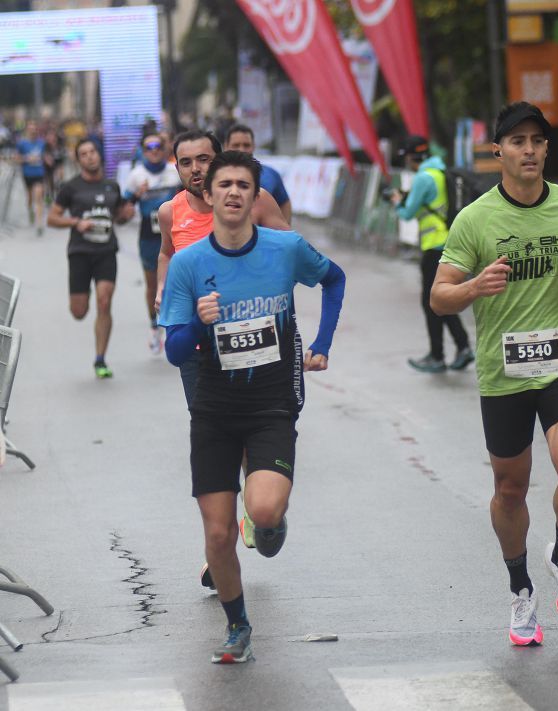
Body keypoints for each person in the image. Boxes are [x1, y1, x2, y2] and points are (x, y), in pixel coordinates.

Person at [430, 102, 558, 646]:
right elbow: (439, 296)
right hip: (503, 373)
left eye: (537, 140)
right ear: (499, 152)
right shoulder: (475, 219)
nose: (528, 150)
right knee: (509, 489)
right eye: (517, 142)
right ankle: (520, 591)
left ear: (546, 149)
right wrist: (472, 288)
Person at [159, 150, 346, 664]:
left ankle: (271, 517)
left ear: (255, 195)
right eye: (225, 184)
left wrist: (323, 342)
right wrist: (197, 324)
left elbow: (334, 278)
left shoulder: (285, 249)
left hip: (270, 404)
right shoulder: (190, 264)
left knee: (261, 510)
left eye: (244, 184)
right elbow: (175, 351)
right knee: (218, 535)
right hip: (214, 408)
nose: (234, 192)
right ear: (210, 194)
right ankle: (237, 624)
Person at [156, 129, 289, 407]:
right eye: (186, 162)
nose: (196, 169)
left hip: (253, 335)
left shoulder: (256, 199)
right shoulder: (170, 211)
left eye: (204, 159)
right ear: (177, 167)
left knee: (253, 428)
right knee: (213, 433)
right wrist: (162, 287)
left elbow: (291, 250)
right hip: (198, 345)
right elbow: (166, 254)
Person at [46, 138, 135, 378]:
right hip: (80, 253)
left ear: (99, 154)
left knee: (104, 302)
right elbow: (52, 218)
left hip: (106, 251)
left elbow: (118, 217)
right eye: (83, 153)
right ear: (78, 160)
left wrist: (126, 215)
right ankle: (81, 304)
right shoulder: (70, 187)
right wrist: (76, 222)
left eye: (92, 152)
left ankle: (100, 359)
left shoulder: (111, 186)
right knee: (79, 311)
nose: (89, 157)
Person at [391, 134, 474, 373]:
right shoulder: (440, 172)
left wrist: (397, 200)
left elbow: (407, 213)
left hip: (434, 246)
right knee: (440, 299)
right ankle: (461, 347)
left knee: (433, 301)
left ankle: (439, 355)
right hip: (448, 243)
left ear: (410, 157)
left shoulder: (423, 178)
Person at [122, 132, 182, 353]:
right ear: (143, 151)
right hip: (149, 235)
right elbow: (124, 208)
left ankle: (176, 327)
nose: (154, 150)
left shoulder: (173, 172)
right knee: (153, 285)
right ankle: (154, 326)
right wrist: (138, 194)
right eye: (149, 147)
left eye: (158, 145)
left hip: (176, 232)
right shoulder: (136, 175)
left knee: (178, 282)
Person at [224, 124, 292, 222]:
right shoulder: (216, 177)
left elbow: (284, 202)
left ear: (253, 146)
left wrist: (285, 232)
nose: (242, 150)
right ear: (226, 147)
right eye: (236, 145)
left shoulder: (270, 175)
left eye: (246, 145)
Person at [16, 120, 47, 235]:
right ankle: (30, 211)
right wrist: (27, 159)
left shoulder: (42, 143)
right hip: (27, 174)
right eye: (31, 129)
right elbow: (17, 158)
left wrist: (45, 159)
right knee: (30, 198)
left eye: (34, 129)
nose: (33, 131)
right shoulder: (22, 143)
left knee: (38, 198)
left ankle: (39, 224)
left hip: (39, 174)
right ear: (27, 131)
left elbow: (44, 156)